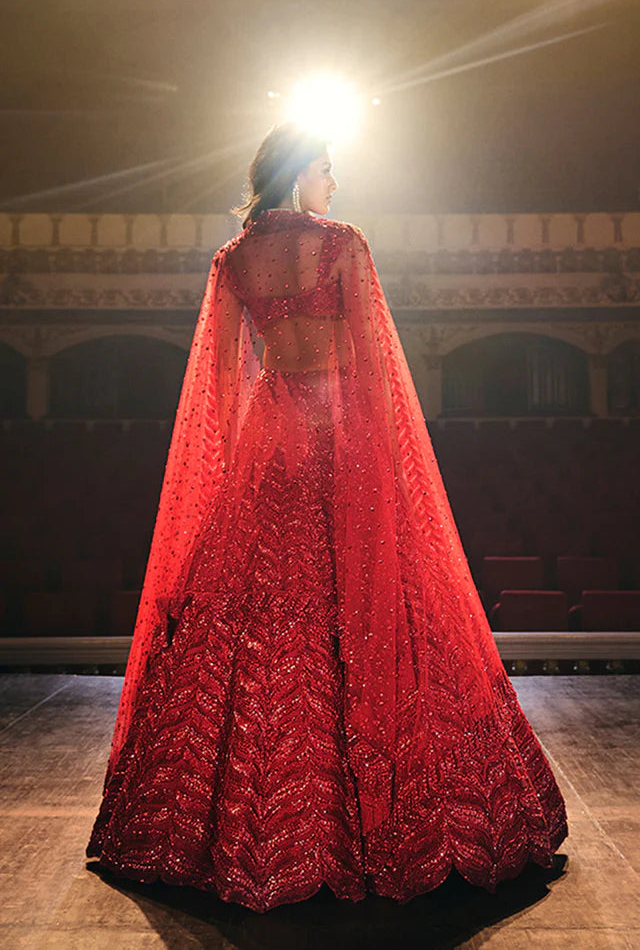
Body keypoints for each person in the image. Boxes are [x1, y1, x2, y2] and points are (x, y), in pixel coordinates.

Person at [86, 121, 568, 912]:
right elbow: (376, 372)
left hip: (268, 446)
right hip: (342, 439)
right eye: (327, 169)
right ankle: (380, 824)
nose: (335, 185)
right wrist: (392, 478)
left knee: (263, 617)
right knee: (377, 608)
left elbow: (218, 388)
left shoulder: (233, 261)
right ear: (301, 170)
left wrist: (231, 475)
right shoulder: (343, 244)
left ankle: (230, 827)